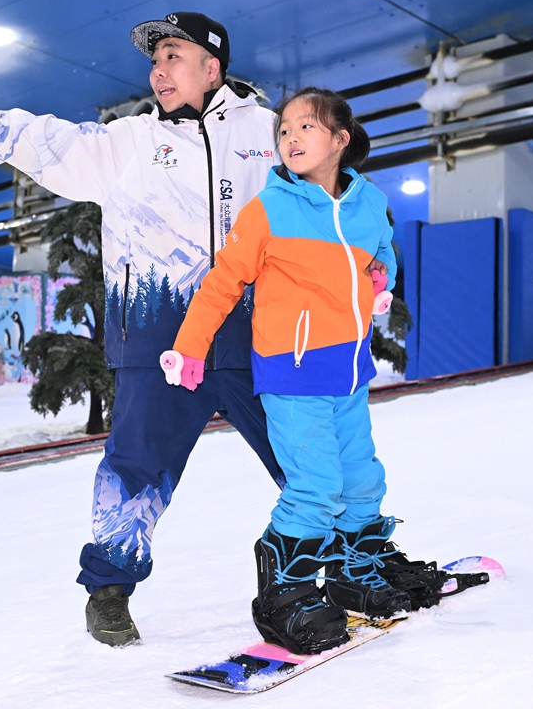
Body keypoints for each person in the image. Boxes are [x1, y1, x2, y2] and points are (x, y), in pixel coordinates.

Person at [0, 13, 389, 647]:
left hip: (262, 335)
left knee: (310, 456)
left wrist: (369, 262)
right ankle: (108, 589)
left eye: (174, 56)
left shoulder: (270, 133)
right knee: (136, 464)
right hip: (158, 340)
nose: (159, 69)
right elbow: (49, 142)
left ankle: (358, 566)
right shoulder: (126, 143)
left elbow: (334, 195)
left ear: (213, 66)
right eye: (154, 60)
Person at [163, 87, 416, 654]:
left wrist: (382, 280)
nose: (291, 138)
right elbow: (222, 280)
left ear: (340, 140)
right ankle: (286, 592)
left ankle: (353, 574)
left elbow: (384, 248)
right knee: (316, 485)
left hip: (349, 370)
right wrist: (190, 346)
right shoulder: (270, 209)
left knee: (361, 477)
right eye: (284, 131)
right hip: (292, 371)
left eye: (305, 127)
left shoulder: (367, 201)